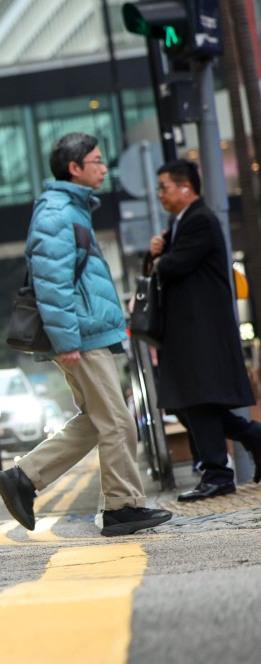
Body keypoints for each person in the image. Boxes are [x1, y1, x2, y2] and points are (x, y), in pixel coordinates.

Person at [0, 132, 172, 538]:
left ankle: (23, 477)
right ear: (74, 168)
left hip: (86, 332)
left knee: (97, 420)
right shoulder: (57, 213)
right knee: (119, 423)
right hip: (81, 336)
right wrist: (67, 340)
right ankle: (122, 508)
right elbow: (52, 283)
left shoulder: (70, 209)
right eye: (96, 161)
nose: (104, 168)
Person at [148, 159, 261, 500]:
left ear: (186, 187)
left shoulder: (199, 219)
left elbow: (177, 265)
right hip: (189, 330)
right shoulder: (182, 222)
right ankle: (251, 437)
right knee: (189, 403)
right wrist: (160, 254)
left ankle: (217, 473)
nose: (160, 195)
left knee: (196, 401)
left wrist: (160, 259)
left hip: (201, 330)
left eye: (164, 187)